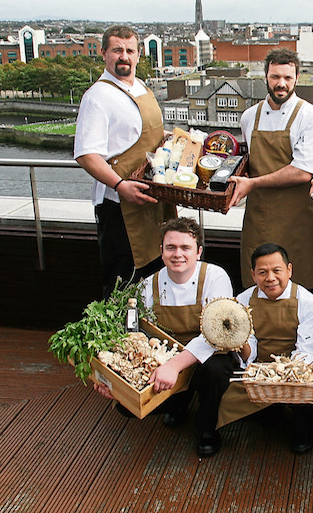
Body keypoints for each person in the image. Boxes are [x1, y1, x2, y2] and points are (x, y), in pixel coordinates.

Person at [94, 217, 235, 458]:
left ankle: (208, 428)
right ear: (161, 252)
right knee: (125, 407)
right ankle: (178, 402)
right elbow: (135, 334)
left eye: (185, 248)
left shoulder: (215, 277)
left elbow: (216, 333)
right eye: (171, 247)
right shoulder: (149, 285)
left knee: (215, 372)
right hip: (166, 353)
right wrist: (106, 378)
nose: (177, 254)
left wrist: (174, 366)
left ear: (199, 252)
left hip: (208, 354)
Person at [74, 25, 176, 297]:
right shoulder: (97, 97)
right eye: (117, 50)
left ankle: (149, 338)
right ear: (104, 52)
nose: (124, 57)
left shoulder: (141, 86)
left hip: (153, 199)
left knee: (155, 275)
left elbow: (150, 136)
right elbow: (86, 154)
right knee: (125, 284)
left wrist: (179, 139)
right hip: (120, 207)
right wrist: (120, 185)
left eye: (130, 50)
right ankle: (121, 339)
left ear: (139, 55)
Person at [229, 49, 313, 290]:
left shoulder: (310, 117)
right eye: (275, 77)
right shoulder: (249, 117)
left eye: (287, 77)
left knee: (302, 289)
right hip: (259, 219)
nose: (281, 84)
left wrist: (253, 184)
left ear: (297, 78)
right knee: (258, 288)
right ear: (265, 76)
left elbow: (303, 171)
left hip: (299, 221)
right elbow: (247, 162)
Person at [215, 243, 313, 455]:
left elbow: (306, 351)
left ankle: (303, 424)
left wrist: (282, 374)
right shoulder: (242, 301)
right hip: (258, 369)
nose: (270, 278)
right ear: (253, 274)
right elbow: (248, 347)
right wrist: (244, 351)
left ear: (289, 270)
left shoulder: (309, 303)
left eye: (277, 271)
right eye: (262, 272)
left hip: (296, 372)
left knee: (302, 397)